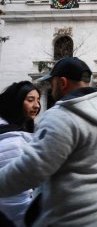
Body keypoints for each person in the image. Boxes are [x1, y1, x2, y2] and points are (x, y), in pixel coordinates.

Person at [0, 57, 97, 227]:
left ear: (62, 82)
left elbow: (31, 170)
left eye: (52, 84)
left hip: (73, 219)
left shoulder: (60, 117)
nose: (51, 91)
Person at [0, 81, 40, 227]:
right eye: (30, 100)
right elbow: (15, 200)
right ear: (16, 102)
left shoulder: (19, 130)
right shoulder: (12, 142)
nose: (37, 105)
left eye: (38, 100)